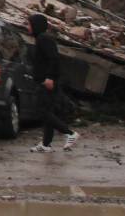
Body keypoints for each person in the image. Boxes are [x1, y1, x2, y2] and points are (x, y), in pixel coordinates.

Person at [28, 14, 79, 153]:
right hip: (45, 81)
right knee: (47, 112)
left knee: (42, 111)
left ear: (36, 25)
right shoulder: (41, 39)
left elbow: (54, 58)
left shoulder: (43, 39)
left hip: (47, 82)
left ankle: (69, 133)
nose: (28, 27)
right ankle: (46, 144)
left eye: (29, 24)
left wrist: (49, 78)